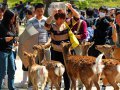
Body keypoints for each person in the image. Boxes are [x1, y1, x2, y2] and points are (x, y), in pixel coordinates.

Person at [45, 3, 80, 90]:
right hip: (55, 52)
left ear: (64, 18)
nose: (60, 21)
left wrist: (71, 8)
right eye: (58, 19)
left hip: (66, 53)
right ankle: (58, 88)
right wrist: (52, 15)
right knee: (56, 72)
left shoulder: (67, 25)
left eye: (62, 18)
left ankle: (67, 88)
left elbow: (77, 17)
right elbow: (46, 25)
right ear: (55, 18)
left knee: (67, 72)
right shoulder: (52, 26)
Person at [0, 10, 16, 90]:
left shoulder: (11, 25)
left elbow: (13, 36)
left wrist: (15, 41)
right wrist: (4, 39)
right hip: (2, 51)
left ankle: (12, 87)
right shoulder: (1, 25)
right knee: (2, 72)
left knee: (12, 70)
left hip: (10, 51)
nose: (13, 20)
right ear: (7, 17)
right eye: (12, 18)